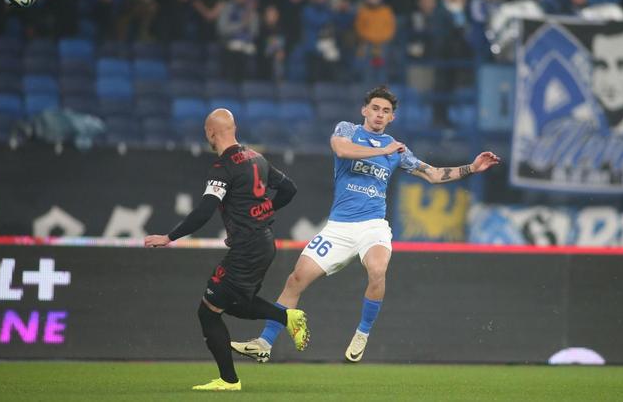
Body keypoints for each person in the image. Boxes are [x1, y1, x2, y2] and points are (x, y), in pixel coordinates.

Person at [231, 86, 500, 363]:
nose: (379, 115)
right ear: (364, 110)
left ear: (392, 117)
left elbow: (432, 174)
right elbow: (341, 149)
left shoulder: (397, 150)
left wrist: (471, 168)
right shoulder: (348, 130)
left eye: (386, 111)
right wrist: (383, 149)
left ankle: (362, 333)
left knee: (377, 269)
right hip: (338, 228)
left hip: (373, 226)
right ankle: (264, 342)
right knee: (295, 280)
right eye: (375, 108)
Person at [144, 109, 310, 391]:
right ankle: (287, 317)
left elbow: (205, 211)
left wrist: (169, 236)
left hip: (247, 247)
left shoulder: (223, 169)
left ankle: (229, 380)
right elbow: (290, 189)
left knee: (208, 312)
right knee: (234, 303)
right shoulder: (257, 159)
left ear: (210, 132)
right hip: (264, 242)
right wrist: (264, 210)